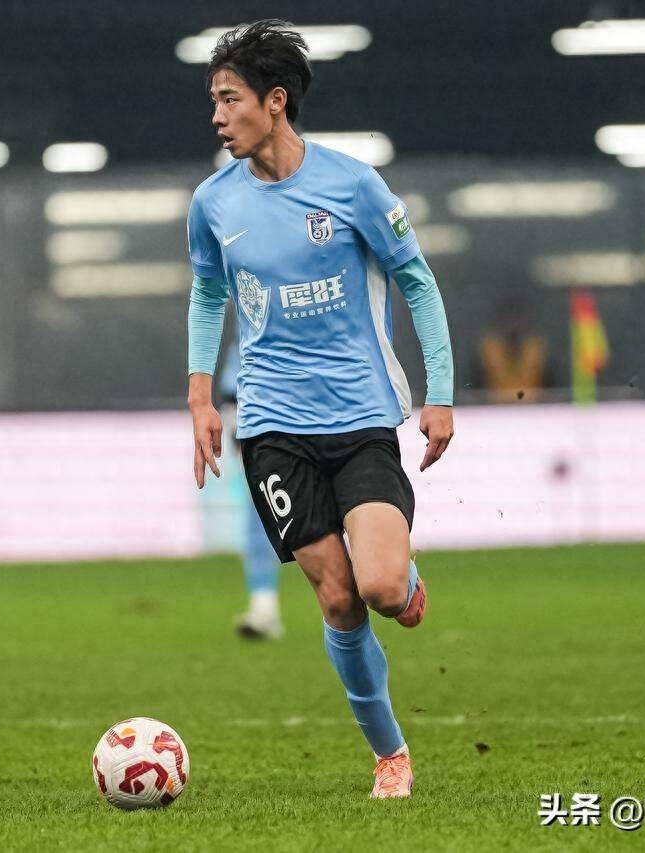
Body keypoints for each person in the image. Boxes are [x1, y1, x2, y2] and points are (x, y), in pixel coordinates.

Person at [185, 20, 455, 800]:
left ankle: (401, 579)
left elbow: (417, 281)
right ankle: (390, 753)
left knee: (380, 589)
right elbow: (207, 293)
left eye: (229, 99)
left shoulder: (353, 185)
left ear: (275, 101)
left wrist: (440, 392)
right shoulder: (213, 203)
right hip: (272, 429)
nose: (217, 116)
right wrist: (200, 397)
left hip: (361, 418)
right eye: (213, 100)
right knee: (337, 597)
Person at [217, 344, 284, 640]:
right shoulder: (251, 329)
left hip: (324, 433)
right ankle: (264, 606)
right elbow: (232, 395)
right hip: (266, 438)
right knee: (260, 519)